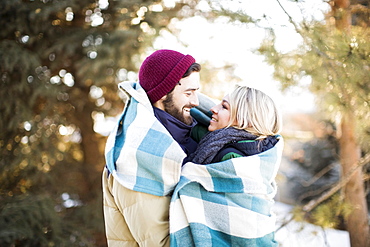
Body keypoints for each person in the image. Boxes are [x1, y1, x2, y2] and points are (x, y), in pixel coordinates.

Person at [102, 49, 201, 247]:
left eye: (196, 92)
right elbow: (161, 243)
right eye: (188, 93)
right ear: (163, 95)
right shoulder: (136, 156)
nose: (196, 102)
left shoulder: (191, 135)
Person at [170, 85, 284, 246]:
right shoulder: (218, 140)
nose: (213, 109)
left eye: (224, 107)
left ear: (244, 119)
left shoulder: (233, 157)